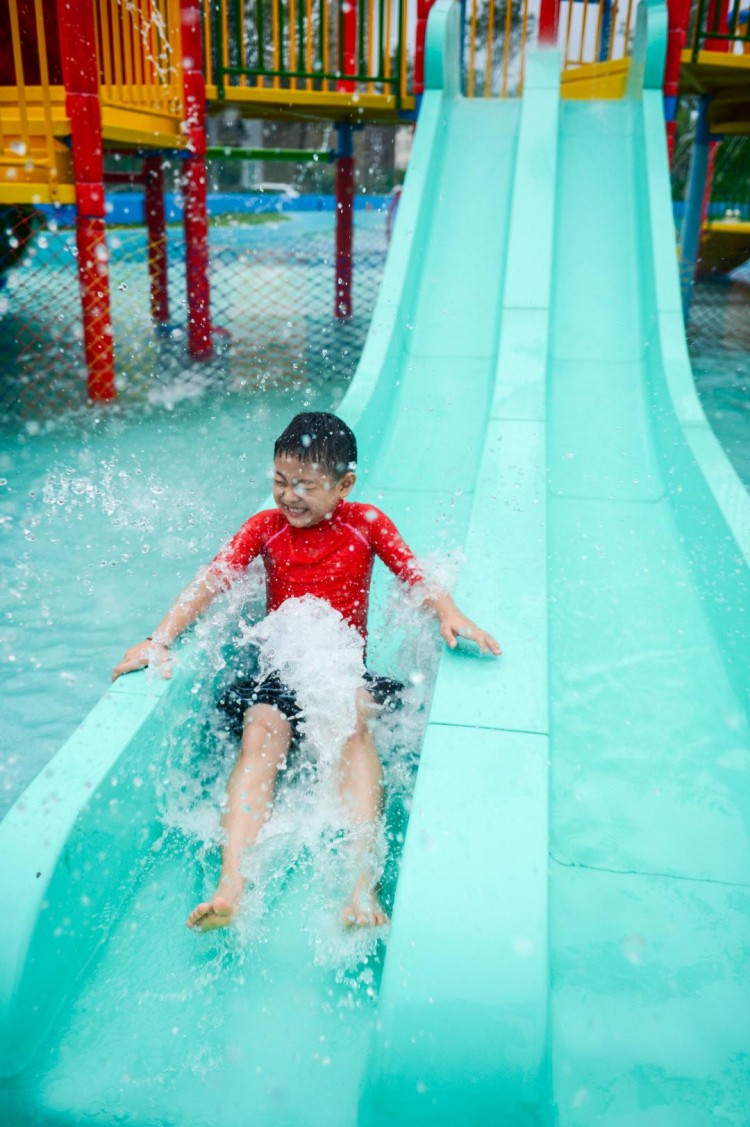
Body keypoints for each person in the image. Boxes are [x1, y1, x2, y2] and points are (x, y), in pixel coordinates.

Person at [112, 412, 501, 932]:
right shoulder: (265, 528)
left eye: (305, 485)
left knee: (352, 725)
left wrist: (449, 613)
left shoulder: (366, 524)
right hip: (281, 671)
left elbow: (415, 575)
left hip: (340, 670)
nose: (289, 496)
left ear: (344, 486)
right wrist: (160, 638)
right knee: (259, 734)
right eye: (279, 481)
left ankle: (361, 888)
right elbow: (211, 582)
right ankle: (231, 886)